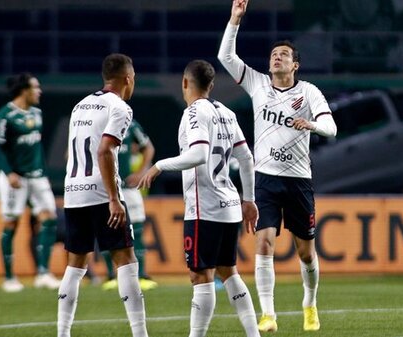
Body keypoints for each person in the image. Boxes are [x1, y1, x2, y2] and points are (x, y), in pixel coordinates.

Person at [218, 0, 338, 332]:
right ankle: (268, 313)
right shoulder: (258, 84)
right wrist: (234, 20)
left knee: (305, 253)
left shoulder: (309, 93)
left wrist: (310, 125)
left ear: (295, 65)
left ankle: (309, 303)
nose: (276, 57)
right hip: (265, 179)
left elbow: (332, 127)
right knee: (264, 242)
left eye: (283, 54)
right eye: (274, 54)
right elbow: (226, 58)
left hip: (299, 180)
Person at [138, 59, 260, 337]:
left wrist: (159, 165)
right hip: (229, 205)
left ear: (185, 82)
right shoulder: (226, 112)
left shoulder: (194, 113)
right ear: (212, 85)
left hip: (205, 208)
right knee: (228, 271)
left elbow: (198, 155)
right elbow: (246, 158)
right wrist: (248, 199)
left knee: (200, 276)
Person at [57, 53, 148, 337]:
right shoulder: (120, 107)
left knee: (75, 266)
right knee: (126, 260)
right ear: (128, 79)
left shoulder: (80, 105)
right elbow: (105, 150)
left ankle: (62, 333)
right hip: (100, 193)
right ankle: (140, 333)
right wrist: (113, 198)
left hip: (73, 192)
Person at [0, 72, 61, 293]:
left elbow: (35, 148)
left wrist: (42, 171)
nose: (39, 91)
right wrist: (8, 172)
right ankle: (9, 278)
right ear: (24, 90)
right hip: (15, 178)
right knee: (12, 223)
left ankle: (43, 273)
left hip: (37, 176)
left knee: (49, 217)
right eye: (35, 87)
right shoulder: (5, 116)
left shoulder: (37, 114)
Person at [101, 119, 158, 291]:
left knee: (138, 229)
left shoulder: (131, 125)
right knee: (108, 230)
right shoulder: (97, 123)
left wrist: (141, 172)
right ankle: (112, 275)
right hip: (106, 188)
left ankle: (141, 275)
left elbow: (148, 147)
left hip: (128, 187)